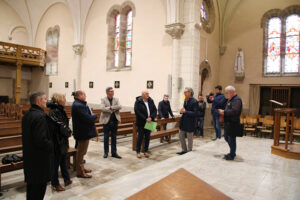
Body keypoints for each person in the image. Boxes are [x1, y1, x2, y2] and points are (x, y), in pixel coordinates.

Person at [22, 91, 54, 200]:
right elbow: (41, 140)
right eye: (45, 99)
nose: (46, 101)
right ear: (39, 101)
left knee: (31, 189)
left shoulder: (27, 114)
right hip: (39, 160)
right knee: (39, 191)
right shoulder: (40, 116)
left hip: (30, 157)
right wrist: (51, 146)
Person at [47, 93, 72, 191]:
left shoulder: (60, 109)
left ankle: (66, 179)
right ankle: (55, 183)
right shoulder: (54, 111)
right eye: (64, 99)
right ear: (59, 100)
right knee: (55, 164)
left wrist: (67, 131)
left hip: (62, 140)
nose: (65, 100)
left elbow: (63, 123)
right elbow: (59, 125)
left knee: (63, 161)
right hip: (57, 141)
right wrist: (68, 131)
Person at [72, 90, 97, 178]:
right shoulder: (78, 105)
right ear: (79, 96)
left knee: (82, 152)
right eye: (84, 95)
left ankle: (81, 168)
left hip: (83, 131)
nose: (85, 96)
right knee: (81, 152)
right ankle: (80, 172)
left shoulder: (80, 104)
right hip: (82, 131)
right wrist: (94, 116)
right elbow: (86, 118)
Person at [218, 86, 243, 160]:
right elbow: (228, 109)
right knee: (226, 137)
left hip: (233, 122)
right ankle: (232, 151)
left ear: (231, 92)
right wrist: (223, 113)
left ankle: (232, 154)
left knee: (231, 139)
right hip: (228, 122)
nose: (226, 94)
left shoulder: (237, 100)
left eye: (227, 93)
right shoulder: (230, 99)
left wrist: (224, 112)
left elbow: (235, 111)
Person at [100, 87, 122, 159]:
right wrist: (112, 110)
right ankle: (106, 152)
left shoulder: (116, 99)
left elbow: (120, 106)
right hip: (107, 121)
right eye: (111, 91)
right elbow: (102, 108)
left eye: (113, 91)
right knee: (106, 137)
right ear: (107, 92)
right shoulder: (103, 99)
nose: (112, 92)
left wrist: (110, 107)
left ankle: (114, 152)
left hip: (115, 120)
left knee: (114, 137)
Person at [134, 90, 157, 158]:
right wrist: (145, 118)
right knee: (140, 137)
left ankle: (146, 151)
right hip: (142, 122)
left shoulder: (151, 100)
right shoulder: (138, 101)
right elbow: (137, 111)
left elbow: (155, 110)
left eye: (148, 93)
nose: (148, 94)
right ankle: (138, 151)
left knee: (147, 137)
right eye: (146, 93)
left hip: (150, 121)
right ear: (142, 94)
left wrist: (151, 117)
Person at [177, 87, 198, 155]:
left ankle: (189, 151)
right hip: (183, 121)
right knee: (180, 135)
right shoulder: (185, 100)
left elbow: (195, 113)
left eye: (186, 92)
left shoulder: (194, 101)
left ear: (190, 93)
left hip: (190, 122)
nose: (184, 93)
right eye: (184, 92)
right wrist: (181, 111)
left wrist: (185, 111)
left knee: (189, 137)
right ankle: (184, 149)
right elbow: (184, 109)